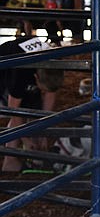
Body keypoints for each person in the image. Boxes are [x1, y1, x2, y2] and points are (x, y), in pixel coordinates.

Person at [1, 36, 64, 172]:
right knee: (21, 111)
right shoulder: (21, 73)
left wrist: (43, 131)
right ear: (35, 77)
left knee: (33, 108)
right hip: (5, 68)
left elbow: (50, 93)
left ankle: (34, 154)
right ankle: (10, 161)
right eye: (42, 89)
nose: (42, 92)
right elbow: (13, 110)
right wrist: (24, 138)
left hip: (29, 65)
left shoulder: (54, 63)